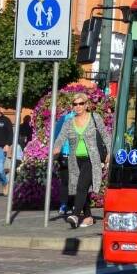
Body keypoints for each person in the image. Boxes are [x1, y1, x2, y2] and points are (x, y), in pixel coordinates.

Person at [52, 94, 111, 228]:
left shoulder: (95, 118)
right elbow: (61, 138)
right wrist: (56, 148)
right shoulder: (69, 122)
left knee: (81, 186)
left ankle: (75, 214)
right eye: (75, 104)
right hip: (74, 160)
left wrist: (109, 152)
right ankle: (89, 217)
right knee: (81, 188)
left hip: (92, 159)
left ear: (86, 104)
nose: (78, 106)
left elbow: (106, 136)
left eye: (80, 103)